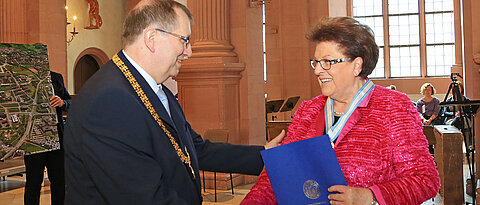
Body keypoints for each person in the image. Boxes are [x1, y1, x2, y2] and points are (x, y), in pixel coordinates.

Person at [63, 1, 284, 204]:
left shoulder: (155, 89)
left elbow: (195, 149)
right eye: (184, 40)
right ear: (151, 38)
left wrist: (264, 156)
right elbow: (144, 198)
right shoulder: (109, 102)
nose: (189, 51)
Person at [241, 17, 440, 205]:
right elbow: (275, 179)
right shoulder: (308, 111)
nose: (317, 70)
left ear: (357, 65)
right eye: (316, 62)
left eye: (328, 62)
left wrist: (369, 196)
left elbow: (425, 180)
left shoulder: (393, 107)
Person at [24, 71, 71, 205]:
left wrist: (62, 103)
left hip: (57, 139)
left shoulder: (56, 77)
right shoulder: (24, 79)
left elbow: (69, 101)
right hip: (33, 140)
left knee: (59, 181)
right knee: (33, 183)